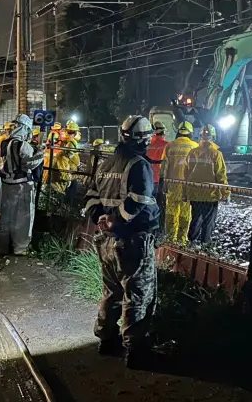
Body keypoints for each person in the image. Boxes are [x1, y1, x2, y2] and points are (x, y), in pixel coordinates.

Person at [83, 115, 158, 368]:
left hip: (104, 241)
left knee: (111, 292)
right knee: (137, 294)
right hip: (133, 240)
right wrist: (117, 220)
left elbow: (91, 196)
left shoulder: (106, 163)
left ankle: (106, 339)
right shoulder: (139, 164)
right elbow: (138, 199)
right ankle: (135, 350)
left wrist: (101, 219)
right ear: (143, 138)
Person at [0, 114, 44, 255]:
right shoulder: (22, 145)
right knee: (23, 217)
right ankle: (21, 248)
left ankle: (4, 245)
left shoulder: (3, 143)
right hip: (22, 186)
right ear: (25, 129)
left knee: (7, 216)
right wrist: (41, 153)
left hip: (6, 185)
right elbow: (28, 164)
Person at [185, 125, 230, 243]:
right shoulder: (216, 154)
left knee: (195, 219)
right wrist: (225, 192)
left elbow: (186, 173)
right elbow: (221, 175)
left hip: (194, 193)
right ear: (213, 137)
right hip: (210, 194)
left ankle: (190, 244)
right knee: (208, 222)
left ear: (200, 136)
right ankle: (205, 246)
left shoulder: (192, 153)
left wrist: (185, 192)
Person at [162, 121, 198, 245]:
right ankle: (182, 240)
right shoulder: (194, 146)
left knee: (171, 211)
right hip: (187, 185)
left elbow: (165, 167)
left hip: (172, 184)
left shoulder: (170, 146)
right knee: (185, 212)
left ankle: (170, 238)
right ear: (190, 133)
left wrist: (165, 184)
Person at [146, 121, 169, 235]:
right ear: (163, 132)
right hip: (159, 180)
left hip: (146, 178)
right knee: (159, 206)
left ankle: (148, 229)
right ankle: (157, 231)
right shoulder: (166, 145)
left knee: (147, 205)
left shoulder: (147, 144)